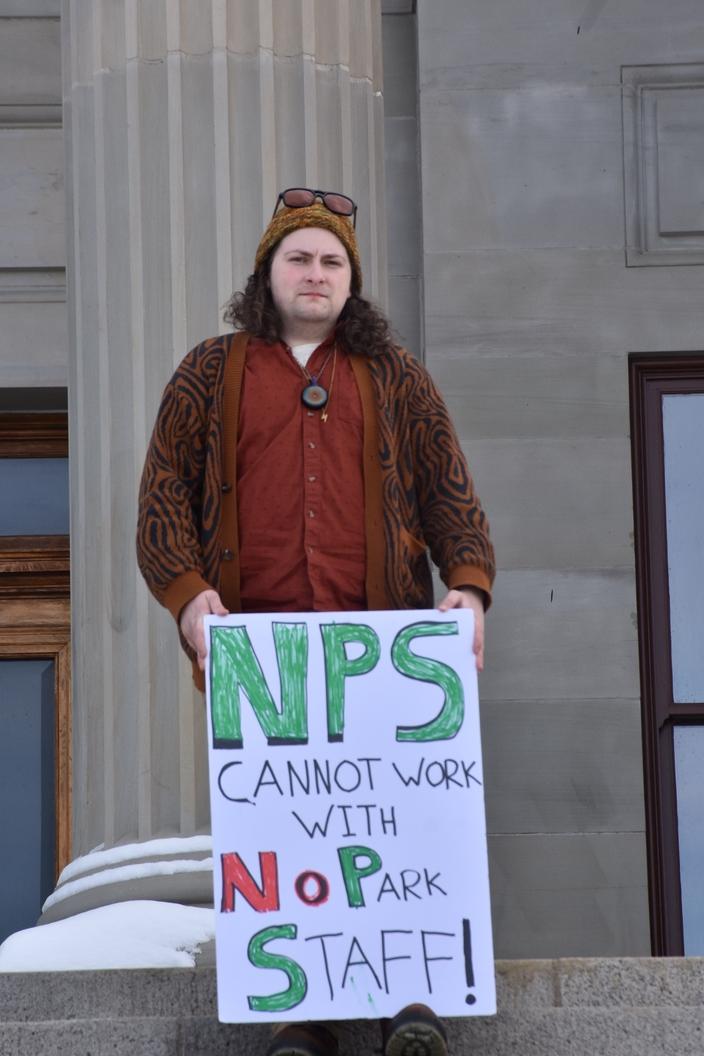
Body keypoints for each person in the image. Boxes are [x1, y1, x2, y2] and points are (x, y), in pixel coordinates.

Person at [137, 187, 495, 1056]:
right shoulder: (207, 372)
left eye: (333, 262)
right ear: (267, 273)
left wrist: (470, 590)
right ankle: (308, 1016)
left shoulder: (396, 375)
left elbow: (450, 489)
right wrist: (189, 601)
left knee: (394, 828)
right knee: (291, 835)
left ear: (352, 282)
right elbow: (161, 503)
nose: (316, 273)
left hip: (383, 653)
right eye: (299, 258)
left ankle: (411, 1003)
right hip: (265, 656)